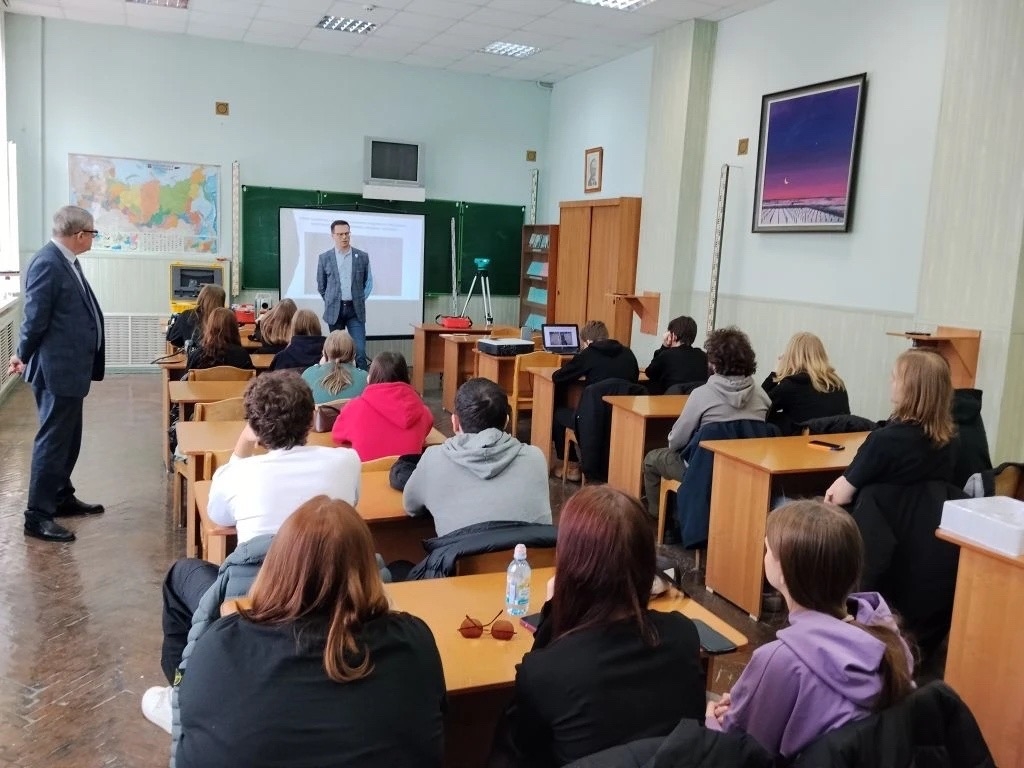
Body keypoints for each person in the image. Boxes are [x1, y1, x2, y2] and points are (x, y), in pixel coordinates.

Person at [175, 496, 446, 768]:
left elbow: (191, 722)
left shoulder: (220, 645)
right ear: (369, 570)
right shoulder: (414, 642)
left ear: (275, 565)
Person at [155, 373, 361, 689]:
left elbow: (217, 517)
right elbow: (351, 504)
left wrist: (243, 443)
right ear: (311, 418)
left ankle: (184, 685)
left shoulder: (237, 474)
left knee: (180, 575)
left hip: (256, 598)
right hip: (328, 586)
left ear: (254, 426)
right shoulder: (346, 462)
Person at [503, 486, 705, 767]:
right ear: (648, 565)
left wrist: (553, 613)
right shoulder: (683, 635)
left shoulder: (545, 673)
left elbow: (521, 752)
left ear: (571, 569)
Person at [706, 499, 914, 758]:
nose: (764, 555)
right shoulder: (891, 643)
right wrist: (749, 702)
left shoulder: (779, 661)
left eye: (768, 549)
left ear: (784, 571)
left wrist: (713, 720)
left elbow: (740, 752)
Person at [8, 205, 106, 543]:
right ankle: (37, 516)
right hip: (56, 370)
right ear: (79, 235)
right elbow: (34, 318)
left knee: (68, 439)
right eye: (93, 233)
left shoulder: (67, 261)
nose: (93, 238)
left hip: (70, 368)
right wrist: (21, 354)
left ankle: (61, 497)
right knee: (52, 442)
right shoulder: (47, 263)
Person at [642, 326, 770, 517]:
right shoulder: (762, 396)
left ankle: (658, 519)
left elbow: (675, 441)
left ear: (714, 363)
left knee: (652, 459)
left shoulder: (702, 395)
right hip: (746, 471)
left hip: (702, 471)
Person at [403, 378, 552, 537]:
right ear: (506, 421)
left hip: (461, 552)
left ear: (455, 422)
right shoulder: (535, 458)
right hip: (529, 553)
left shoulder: (433, 460)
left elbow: (411, 506)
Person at [825, 349, 956, 506]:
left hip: (872, 520)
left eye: (895, 378)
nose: (890, 382)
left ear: (911, 388)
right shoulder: (950, 442)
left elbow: (839, 497)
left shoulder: (883, 441)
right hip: (929, 521)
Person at [551, 320, 639, 481]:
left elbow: (558, 377)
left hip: (594, 419)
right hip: (624, 417)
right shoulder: (628, 353)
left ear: (588, 342)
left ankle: (572, 466)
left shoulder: (589, 354)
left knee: (558, 414)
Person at [332, 351, 433, 461]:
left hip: (367, 472)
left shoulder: (353, 408)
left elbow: (337, 436)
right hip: (407, 472)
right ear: (408, 377)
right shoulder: (423, 412)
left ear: (369, 378)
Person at [762, 332, 850, 435]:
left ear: (792, 357)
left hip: (801, 444)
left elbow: (757, 408)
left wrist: (775, 373)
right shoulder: (838, 385)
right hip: (835, 444)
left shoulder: (791, 386)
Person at [317, 220, 373, 370]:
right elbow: (321, 286)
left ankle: (362, 382)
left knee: (359, 351)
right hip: (334, 310)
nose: (344, 237)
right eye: (340, 234)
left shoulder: (362, 257)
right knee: (336, 352)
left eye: (347, 233)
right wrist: (331, 300)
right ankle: (337, 381)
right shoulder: (324, 258)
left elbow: (368, 283)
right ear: (333, 236)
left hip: (355, 310)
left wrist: (359, 299)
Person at [644, 315, 709, 394]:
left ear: (673, 336)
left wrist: (664, 346)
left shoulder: (666, 355)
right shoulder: (703, 356)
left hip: (670, 399)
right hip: (696, 400)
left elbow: (650, 373)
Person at [301, 330, 369, 404]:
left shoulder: (308, 374)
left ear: (324, 353)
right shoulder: (365, 378)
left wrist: (320, 366)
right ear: (353, 356)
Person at [183, 306, 253, 375]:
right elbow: (251, 377)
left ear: (209, 328)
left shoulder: (197, 356)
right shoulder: (242, 355)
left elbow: (187, 379)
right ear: (234, 328)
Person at [166, 284, 226, 351]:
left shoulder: (187, 315)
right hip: (222, 356)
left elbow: (174, 340)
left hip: (193, 355)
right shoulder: (226, 318)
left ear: (201, 298)